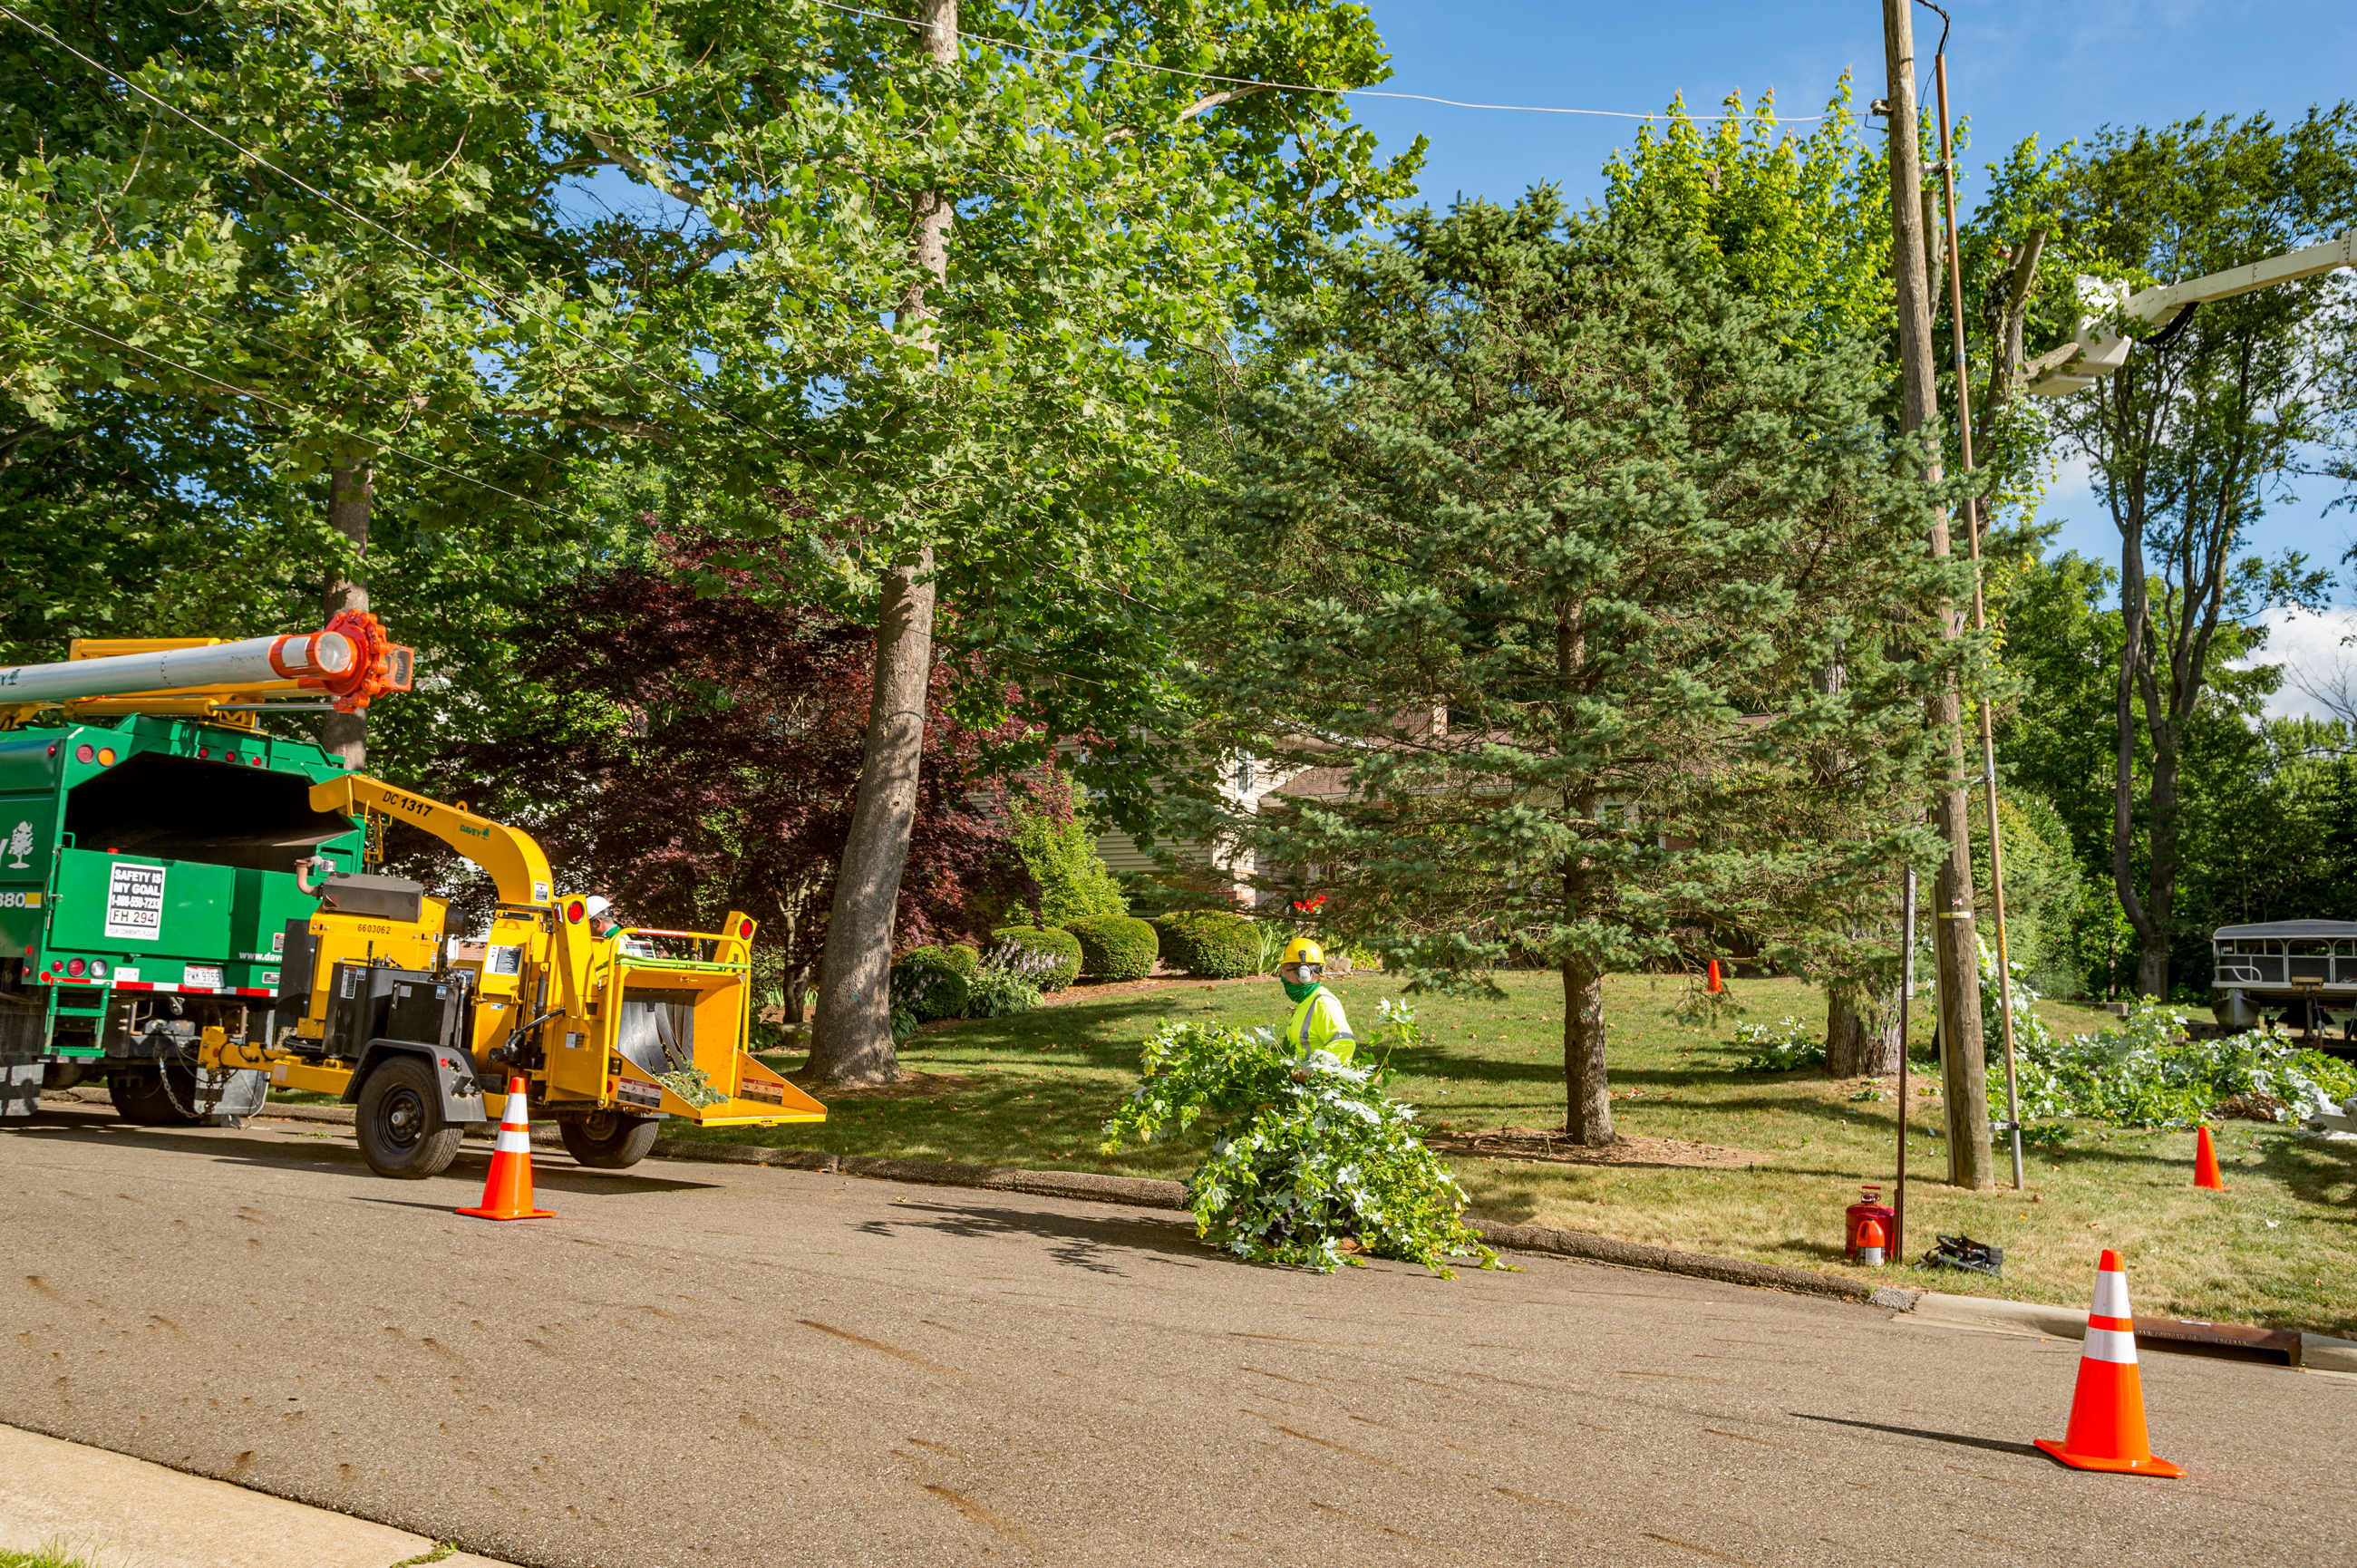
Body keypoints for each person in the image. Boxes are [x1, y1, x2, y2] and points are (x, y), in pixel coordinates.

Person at [1277, 936, 1355, 1062]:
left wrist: (1313, 1068)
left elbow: (1344, 1044)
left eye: (1285, 971)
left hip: (1321, 1080)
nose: (1283, 978)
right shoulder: (1307, 1000)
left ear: (1304, 973)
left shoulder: (1324, 1003)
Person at [582, 895, 656, 958]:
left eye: (587, 925)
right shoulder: (623, 937)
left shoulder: (614, 944)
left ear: (598, 923)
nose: (586, 930)